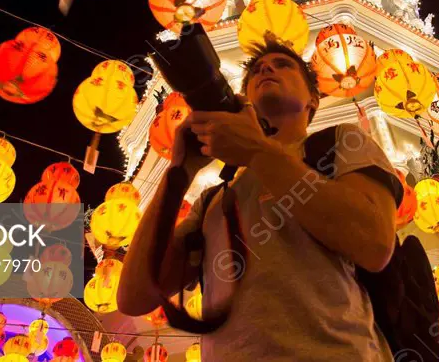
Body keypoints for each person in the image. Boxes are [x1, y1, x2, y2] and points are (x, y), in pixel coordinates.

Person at [119, 40, 402, 361]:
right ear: (246, 102)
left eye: (283, 64)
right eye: (256, 70)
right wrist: (178, 175)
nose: (266, 68)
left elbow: (374, 243)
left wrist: (257, 150)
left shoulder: (341, 143)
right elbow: (134, 297)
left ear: (313, 99)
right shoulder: (215, 199)